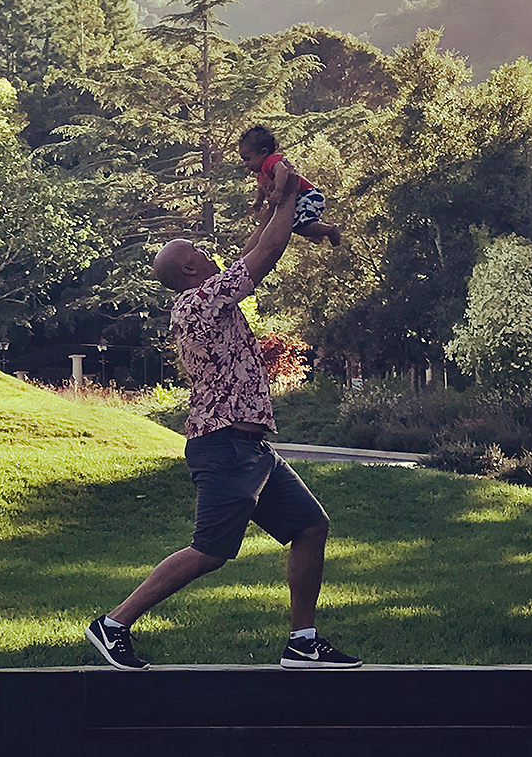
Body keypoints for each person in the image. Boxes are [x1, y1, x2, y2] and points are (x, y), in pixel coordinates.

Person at [86, 156, 359, 670]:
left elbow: (259, 248)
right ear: (190, 268)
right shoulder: (199, 303)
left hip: (251, 448)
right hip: (224, 445)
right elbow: (269, 250)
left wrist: (282, 205)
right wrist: (284, 201)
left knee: (310, 528)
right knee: (210, 550)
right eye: (201, 253)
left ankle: (303, 642)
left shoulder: (212, 296)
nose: (212, 256)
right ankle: (114, 624)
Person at [236, 124, 343, 246]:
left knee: (298, 226)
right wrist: (258, 202)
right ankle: (315, 232)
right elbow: (261, 188)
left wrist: (278, 191)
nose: (245, 164)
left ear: (263, 152)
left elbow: (282, 170)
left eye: (248, 159)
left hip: (308, 195)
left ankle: (329, 230)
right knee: (291, 224)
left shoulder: (270, 161)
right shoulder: (261, 173)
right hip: (302, 198)